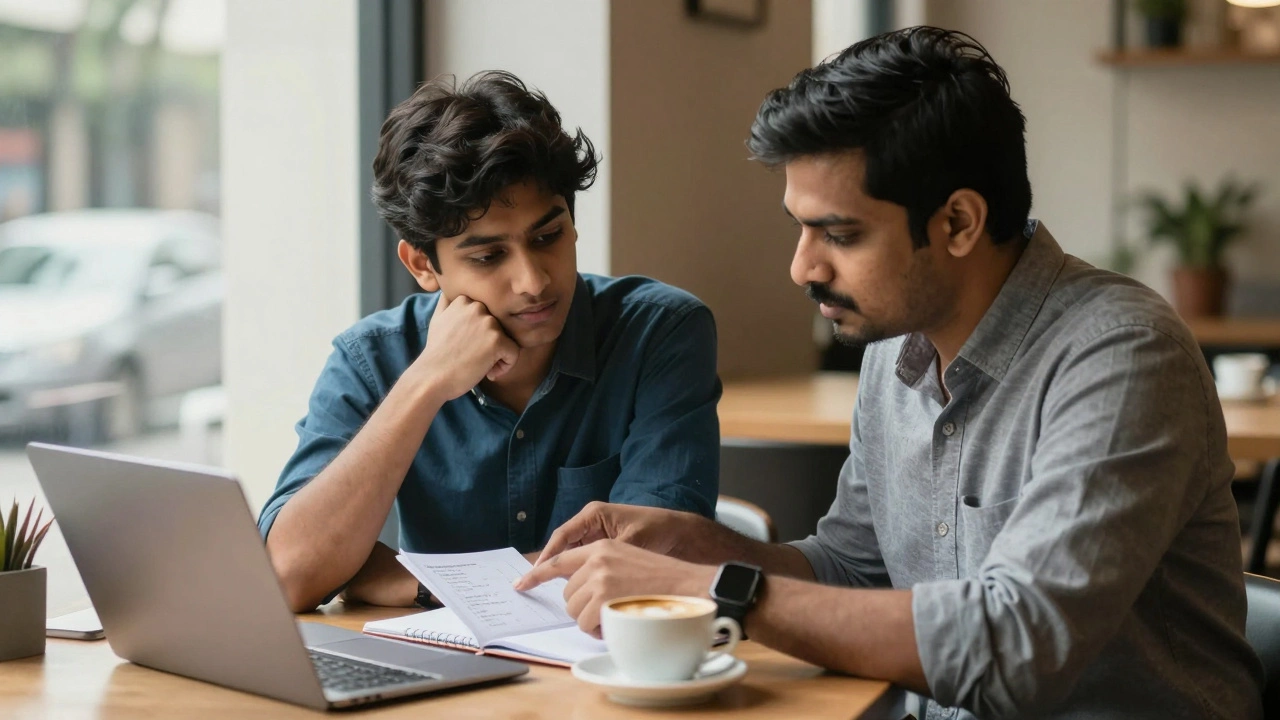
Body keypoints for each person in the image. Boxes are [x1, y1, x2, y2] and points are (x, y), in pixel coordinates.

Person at [517, 28, 1264, 719]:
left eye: (839, 234)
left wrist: (718, 591)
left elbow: (1020, 646)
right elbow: (855, 569)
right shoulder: (894, 348)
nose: (802, 267)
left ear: (959, 222)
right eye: (800, 227)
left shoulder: (1122, 353)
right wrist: (714, 551)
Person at [260, 71, 721, 613]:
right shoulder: (372, 358)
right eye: (487, 256)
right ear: (422, 264)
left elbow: (656, 562)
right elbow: (288, 576)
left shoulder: (659, 332)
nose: (533, 281)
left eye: (548, 237)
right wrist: (426, 382)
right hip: (436, 664)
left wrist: (418, 583)